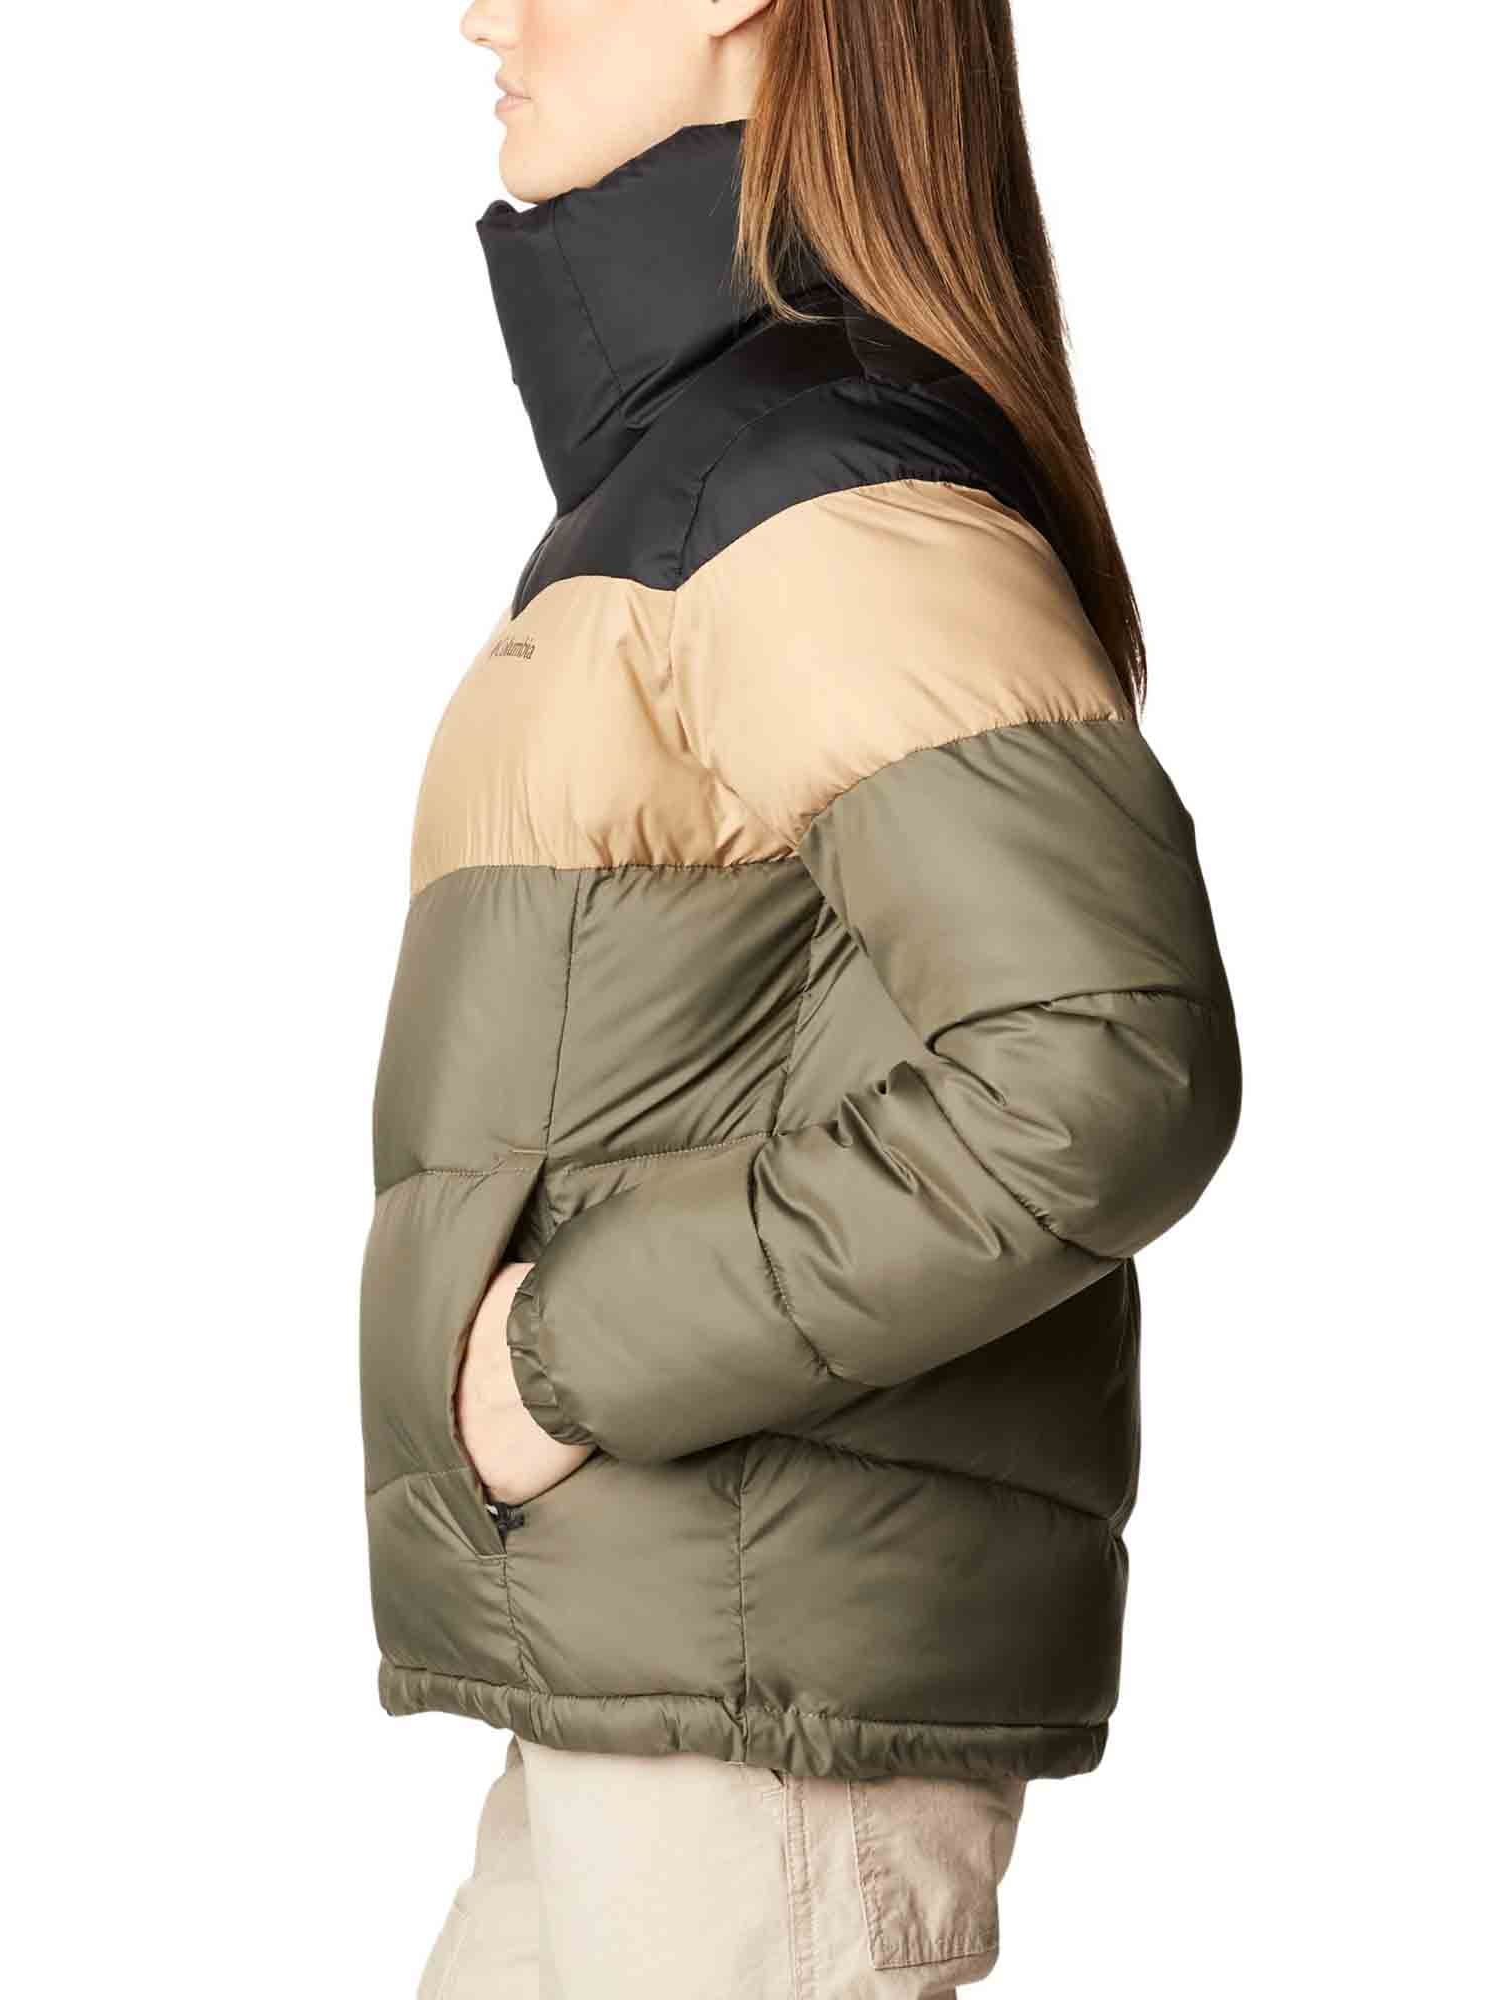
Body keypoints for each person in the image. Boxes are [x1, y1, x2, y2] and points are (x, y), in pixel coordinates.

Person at [359, 2, 1243, 1993]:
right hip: (661, 1677)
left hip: (749, 1736)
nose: (482, 11)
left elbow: (1100, 1066)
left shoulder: (809, 493)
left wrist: (564, 1355)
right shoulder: (709, 480)